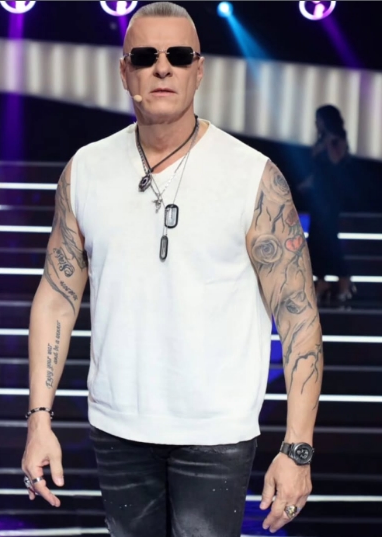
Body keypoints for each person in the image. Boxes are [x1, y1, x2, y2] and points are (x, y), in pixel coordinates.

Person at [21, 3, 323, 536]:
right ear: (125, 72)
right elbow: (56, 298)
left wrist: (297, 448)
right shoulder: (86, 170)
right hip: (117, 427)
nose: (162, 67)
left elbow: (298, 316)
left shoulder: (253, 177)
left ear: (199, 70)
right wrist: (39, 418)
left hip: (217, 432)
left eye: (179, 55)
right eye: (145, 56)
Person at [299, 105, 355, 303]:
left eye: (319, 119)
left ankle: (343, 279)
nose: (316, 123)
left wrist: (328, 144)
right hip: (319, 195)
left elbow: (336, 161)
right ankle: (322, 280)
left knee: (329, 238)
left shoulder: (337, 140)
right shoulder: (321, 141)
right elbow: (317, 170)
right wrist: (306, 185)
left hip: (331, 197)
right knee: (316, 239)